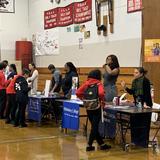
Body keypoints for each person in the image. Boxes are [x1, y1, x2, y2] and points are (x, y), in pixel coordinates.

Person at [76, 69, 111, 151]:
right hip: (97, 107)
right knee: (94, 127)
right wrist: (102, 101)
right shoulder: (98, 84)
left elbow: (78, 92)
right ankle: (89, 145)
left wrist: (84, 99)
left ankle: (102, 144)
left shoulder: (86, 83)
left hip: (88, 107)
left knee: (94, 126)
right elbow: (101, 93)